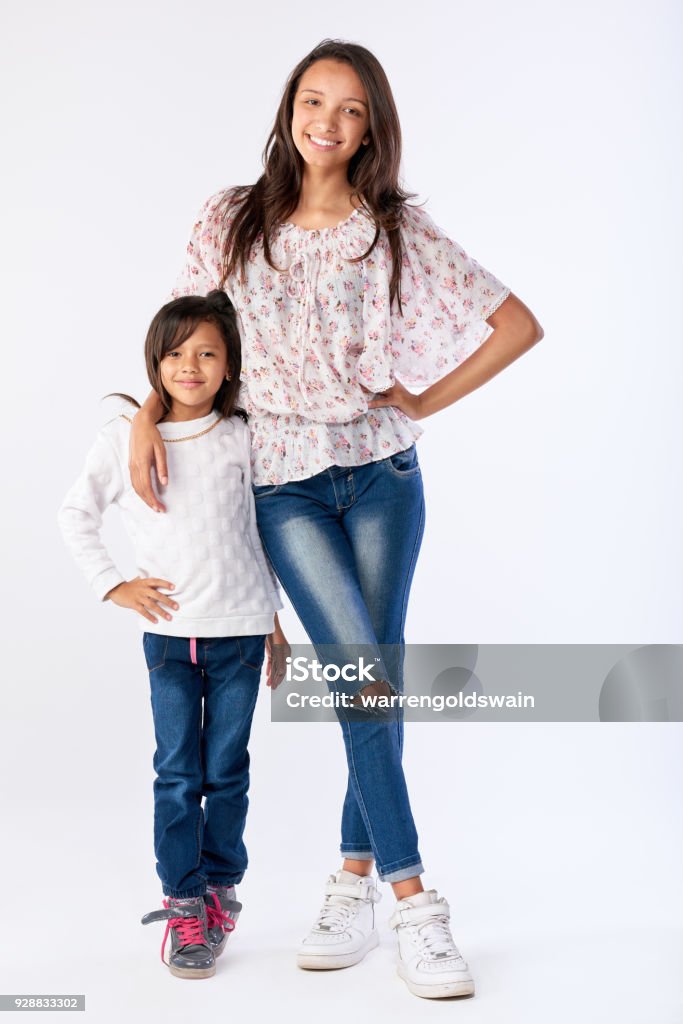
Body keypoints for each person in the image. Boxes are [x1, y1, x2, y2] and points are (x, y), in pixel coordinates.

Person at [128, 39, 544, 999]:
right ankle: (416, 904)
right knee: (364, 682)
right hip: (285, 485)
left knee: (372, 681)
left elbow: (516, 323)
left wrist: (424, 403)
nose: (328, 122)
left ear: (371, 128)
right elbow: (183, 336)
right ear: (287, 110)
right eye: (313, 101)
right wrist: (146, 416)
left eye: (350, 109)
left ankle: (351, 882)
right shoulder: (230, 221)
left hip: (384, 478)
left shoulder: (393, 227)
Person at [58, 290, 288, 980]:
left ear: (230, 366)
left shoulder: (243, 434)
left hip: (242, 633)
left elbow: (261, 531)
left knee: (228, 772)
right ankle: (184, 901)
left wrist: (274, 618)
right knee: (178, 774)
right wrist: (114, 583)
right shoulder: (121, 436)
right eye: (176, 352)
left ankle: (221, 889)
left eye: (208, 353)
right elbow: (76, 514)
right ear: (155, 362)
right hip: (170, 638)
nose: (190, 365)